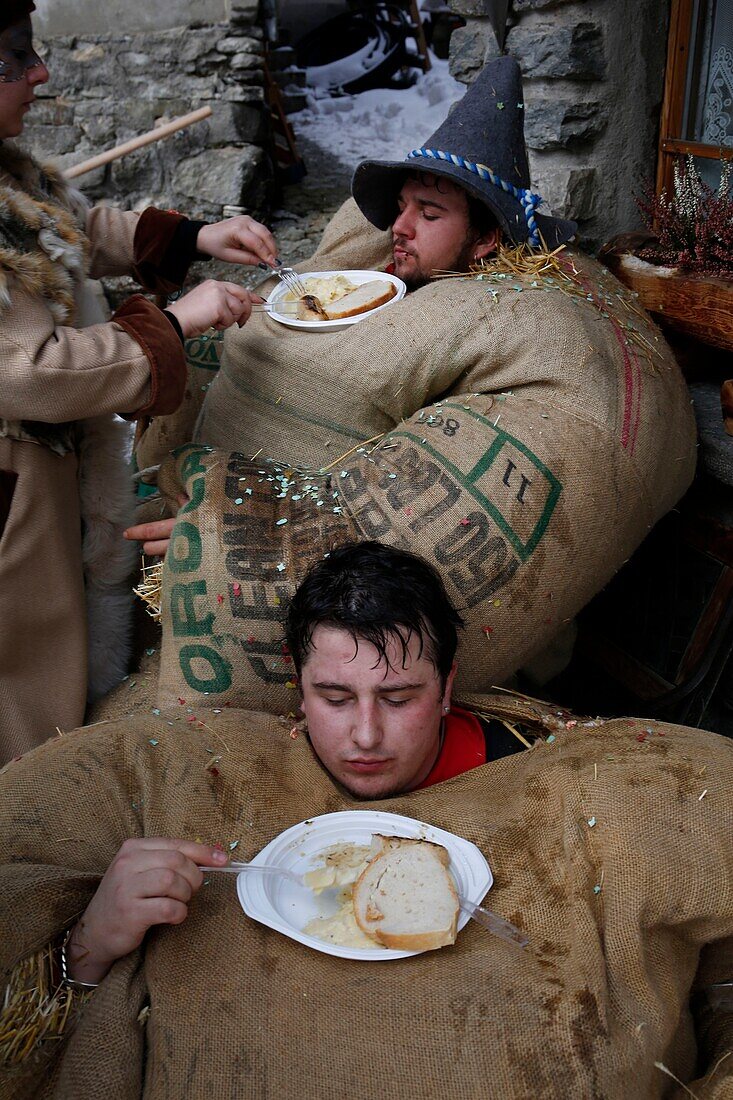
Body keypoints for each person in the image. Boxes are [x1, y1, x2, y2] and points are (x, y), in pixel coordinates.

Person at [1, 542, 731, 1099]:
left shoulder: (548, 772)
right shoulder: (204, 769)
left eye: (399, 696)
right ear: (297, 681)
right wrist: (89, 947)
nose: (365, 736)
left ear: (447, 687)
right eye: (334, 696)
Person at [125, 56, 696, 722]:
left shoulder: (508, 324)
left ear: (485, 239)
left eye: (428, 212)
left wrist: (233, 540)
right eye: (401, 207)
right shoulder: (377, 279)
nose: (398, 227)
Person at [0, 0, 282, 762]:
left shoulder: (8, 173)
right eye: (12, 59)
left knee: (66, 665)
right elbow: (26, 371)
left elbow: (69, 233)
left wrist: (190, 236)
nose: (40, 72)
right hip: (13, 502)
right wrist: (173, 324)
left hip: (53, 485)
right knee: (22, 690)